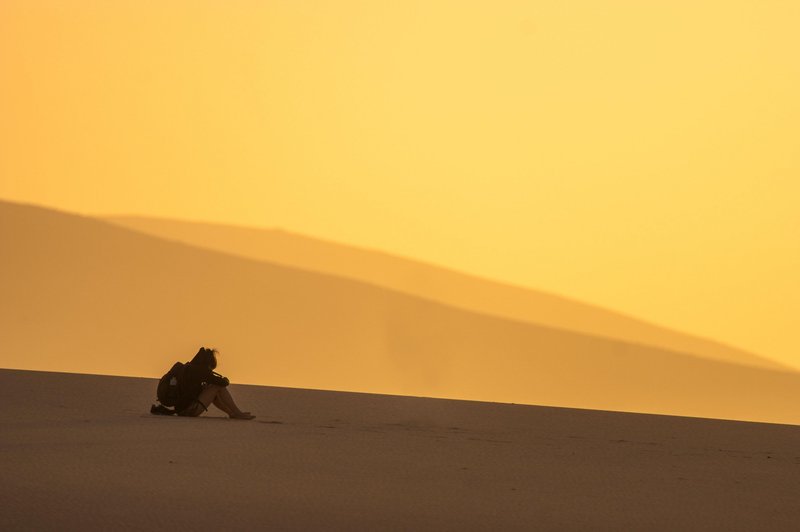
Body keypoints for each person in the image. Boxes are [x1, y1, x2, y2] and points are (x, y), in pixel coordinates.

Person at [176, 347, 255, 420]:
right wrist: (225, 379)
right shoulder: (200, 370)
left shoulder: (190, 367)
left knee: (213, 391)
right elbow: (222, 383)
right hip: (190, 410)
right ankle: (237, 413)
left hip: (182, 410)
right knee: (217, 387)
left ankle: (232, 413)